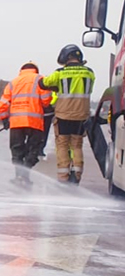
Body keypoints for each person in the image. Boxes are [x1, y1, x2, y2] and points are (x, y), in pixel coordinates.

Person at [39, 44, 96, 184]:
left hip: (63, 115)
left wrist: (54, 85)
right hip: (82, 115)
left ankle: (63, 178)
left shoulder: (60, 73)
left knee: (63, 145)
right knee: (77, 145)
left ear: (66, 57)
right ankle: (76, 175)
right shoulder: (89, 73)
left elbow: (43, 83)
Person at [0, 61, 52, 184]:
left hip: (16, 123)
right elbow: (46, 101)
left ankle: (18, 176)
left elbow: (1, 105)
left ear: (21, 70)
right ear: (35, 70)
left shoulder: (13, 83)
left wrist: (4, 119)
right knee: (33, 149)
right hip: (35, 122)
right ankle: (25, 175)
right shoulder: (41, 80)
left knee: (17, 150)